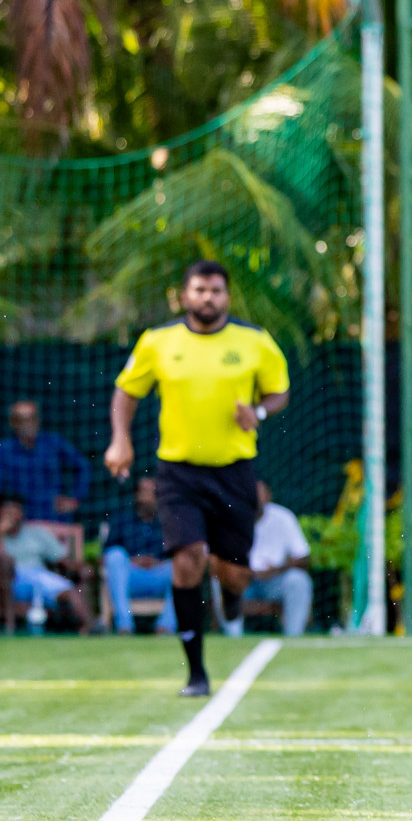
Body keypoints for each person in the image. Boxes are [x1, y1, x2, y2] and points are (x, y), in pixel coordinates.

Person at [104, 260, 289, 696]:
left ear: (227, 297)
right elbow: (126, 392)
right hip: (178, 472)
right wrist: (120, 441)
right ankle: (196, 672)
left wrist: (258, 411)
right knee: (187, 559)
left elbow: (279, 391)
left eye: (216, 291)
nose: (208, 298)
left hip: (233, 472)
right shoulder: (157, 342)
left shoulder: (255, 342)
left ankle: (231, 595)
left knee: (234, 574)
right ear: (184, 295)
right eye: (200, 290)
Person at [0, 492, 93, 634]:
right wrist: (0, 535)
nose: (12, 515)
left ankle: (89, 629)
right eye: (7, 511)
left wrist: (81, 567)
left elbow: (62, 560)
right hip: (10, 581)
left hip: (38, 576)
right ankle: (9, 627)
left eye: (15, 511)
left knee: (70, 593)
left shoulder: (37, 533)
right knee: (5, 568)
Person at [0, 400, 90, 523]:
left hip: (53, 522)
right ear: (13, 423)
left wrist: (75, 499)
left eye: (32, 418)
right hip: (20, 526)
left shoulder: (53, 443)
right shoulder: (4, 451)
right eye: (22, 419)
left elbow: (83, 466)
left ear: (38, 420)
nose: (28, 424)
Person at [241, 480, 313, 637]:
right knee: (220, 579)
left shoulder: (283, 517)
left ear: (269, 496)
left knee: (298, 580)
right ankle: (231, 638)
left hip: (274, 582)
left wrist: (277, 569)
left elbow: (304, 557)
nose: (257, 499)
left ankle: (293, 638)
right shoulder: (232, 517)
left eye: (261, 494)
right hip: (242, 582)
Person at [102, 476, 173, 635]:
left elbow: (174, 551)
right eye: (145, 492)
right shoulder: (122, 519)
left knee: (180, 564)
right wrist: (133, 560)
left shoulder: (168, 519)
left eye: (153, 492)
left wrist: (156, 561)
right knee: (114, 556)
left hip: (158, 576)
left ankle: (165, 627)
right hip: (131, 577)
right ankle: (124, 626)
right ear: (136, 495)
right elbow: (106, 553)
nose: (149, 497)